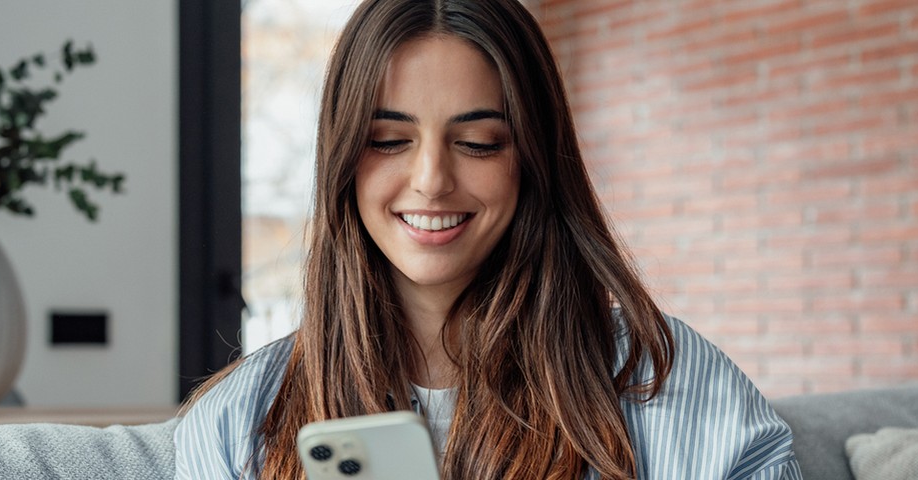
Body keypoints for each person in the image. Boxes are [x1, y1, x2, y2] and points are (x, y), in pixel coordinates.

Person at [175, 0, 802, 478]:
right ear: (343, 160)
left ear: (532, 157)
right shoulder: (239, 420)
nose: (431, 180)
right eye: (389, 140)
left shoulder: (666, 380)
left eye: (479, 143)